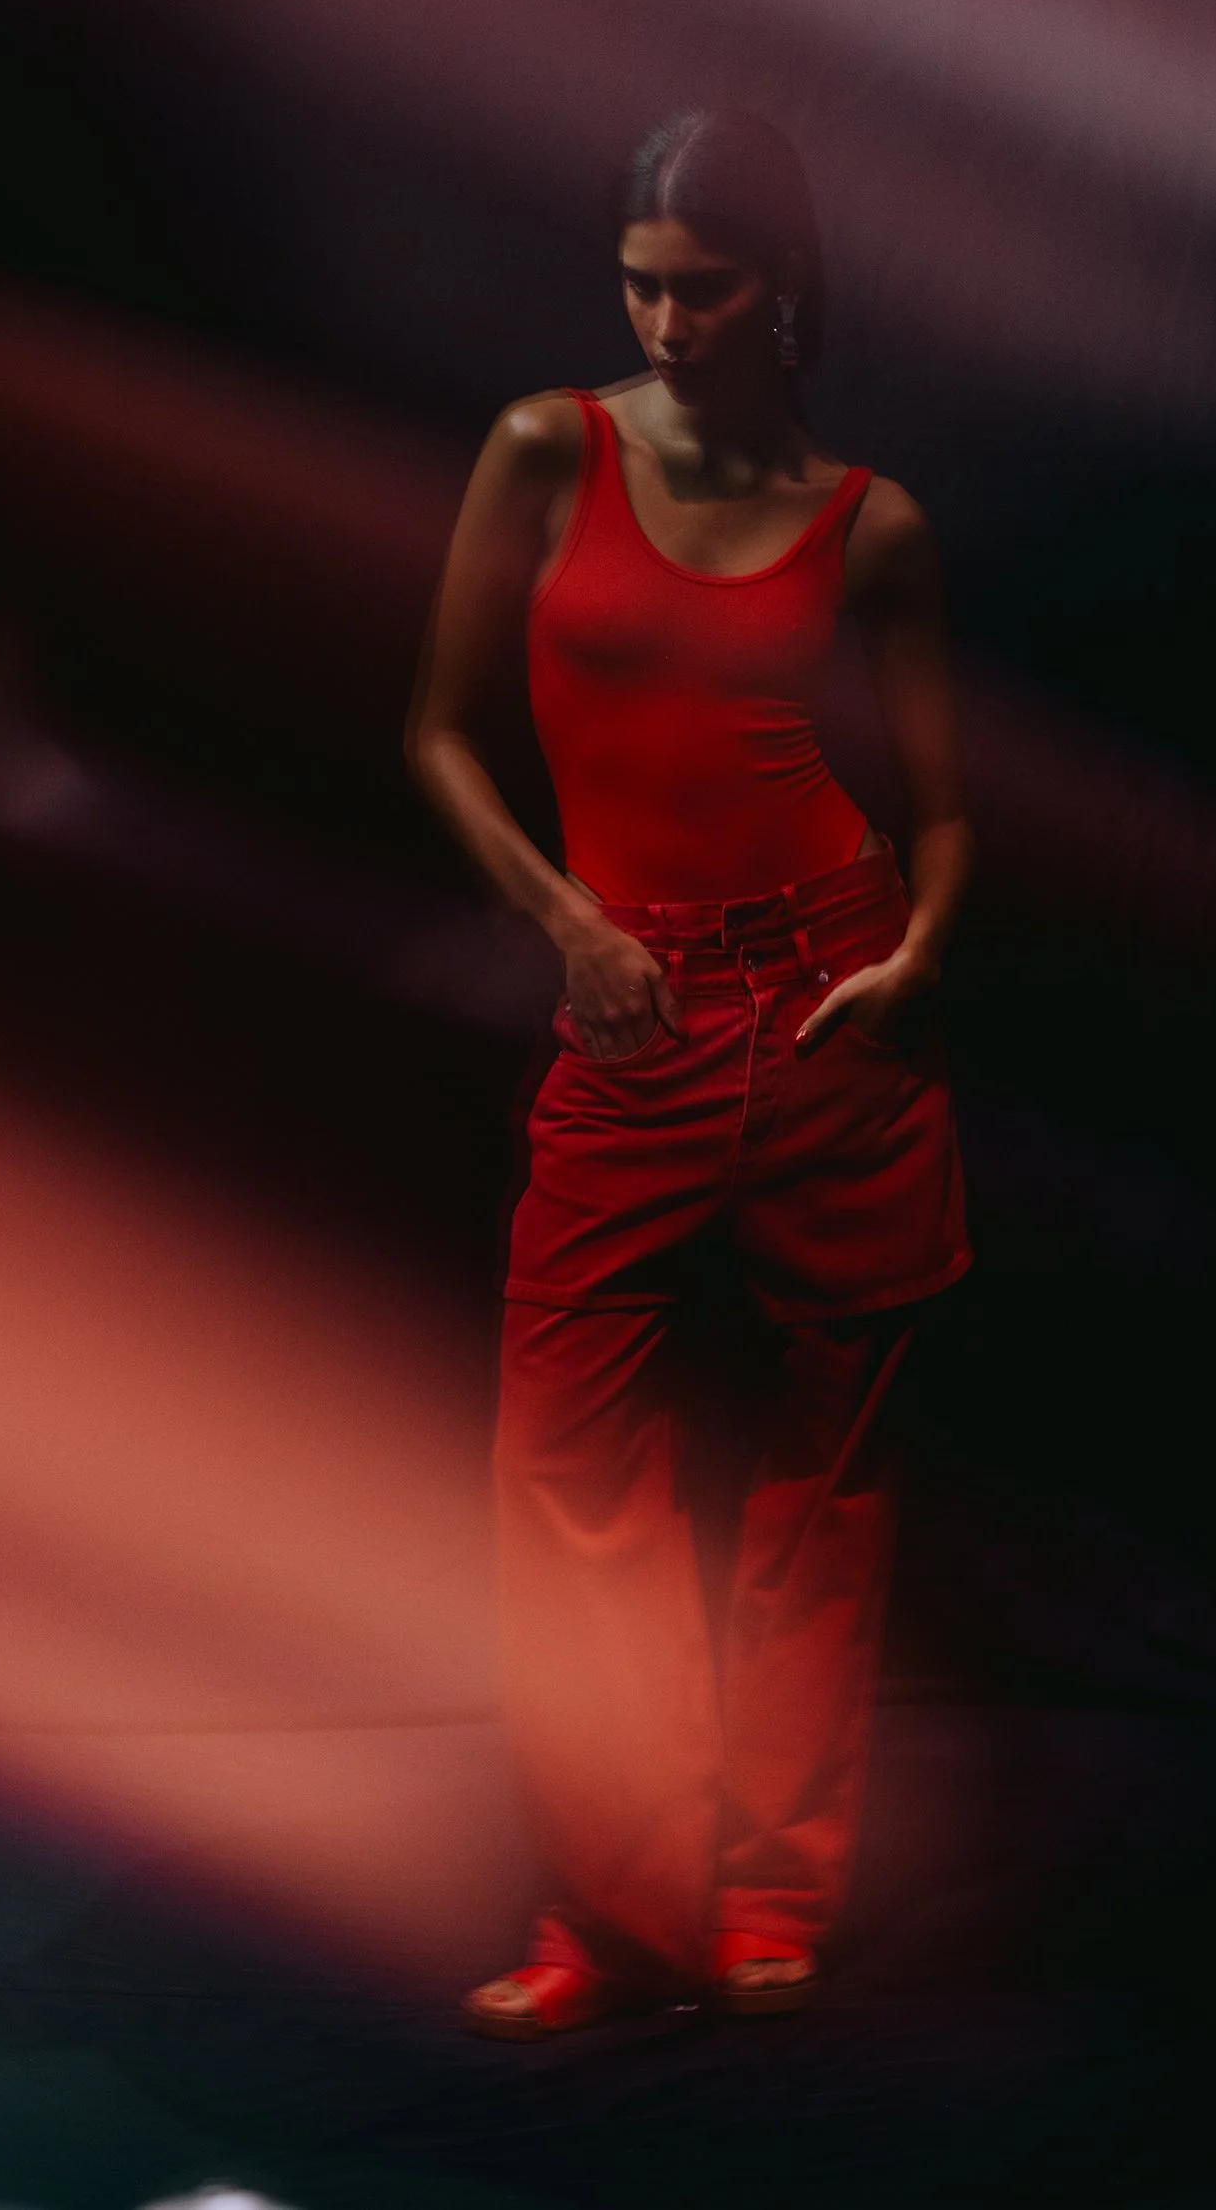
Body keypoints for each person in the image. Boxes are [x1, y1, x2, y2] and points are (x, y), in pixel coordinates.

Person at [407, 107, 972, 2040]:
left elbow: (946, 812)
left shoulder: (870, 522)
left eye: (702, 287)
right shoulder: (545, 447)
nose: (660, 319)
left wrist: (918, 959)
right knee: (568, 1470)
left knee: (826, 1483)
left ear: (781, 284)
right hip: (630, 1019)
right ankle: (614, 1908)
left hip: (829, 1010)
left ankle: (772, 1897)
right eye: (640, 282)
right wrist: (567, 925)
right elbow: (437, 732)